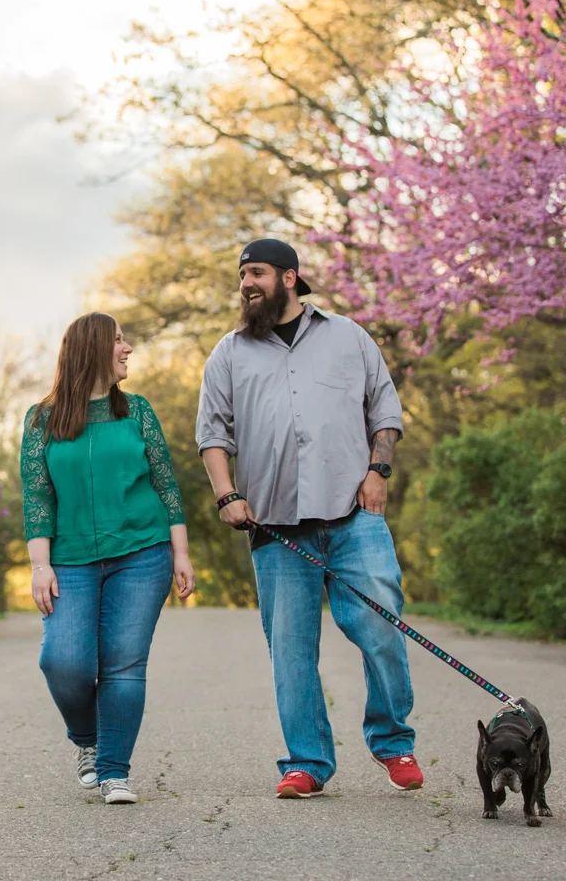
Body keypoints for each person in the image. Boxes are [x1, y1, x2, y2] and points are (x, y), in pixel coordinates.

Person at [196, 238, 421, 799]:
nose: (247, 284)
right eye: (242, 275)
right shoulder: (229, 353)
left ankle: (393, 742)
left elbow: (385, 410)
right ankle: (307, 763)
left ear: (289, 277)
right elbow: (212, 433)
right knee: (291, 653)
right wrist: (226, 496)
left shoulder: (348, 336)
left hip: (353, 515)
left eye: (257, 273)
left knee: (381, 627)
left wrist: (378, 471)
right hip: (274, 528)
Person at [21, 311, 195, 805]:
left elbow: (166, 484)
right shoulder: (42, 419)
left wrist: (181, 553)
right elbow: (37, 497)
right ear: (93, 349)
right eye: (119, 340)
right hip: (70, 558)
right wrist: (40, 566)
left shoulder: (137, 410)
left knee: (123, 664)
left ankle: (114, 771)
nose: (128, 348)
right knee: (63, 662)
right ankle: (88, 739)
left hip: (142, 553)